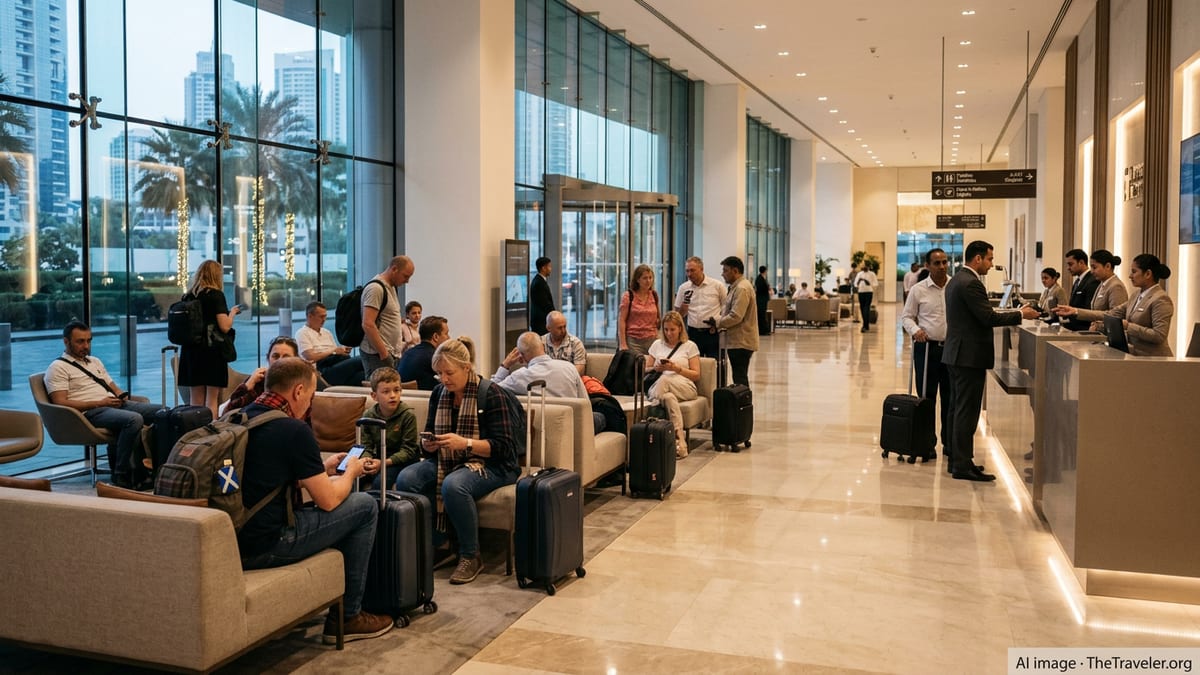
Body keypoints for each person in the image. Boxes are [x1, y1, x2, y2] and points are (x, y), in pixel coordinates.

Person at [236, 357, 393, 644]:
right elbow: (329, 501)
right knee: (365, 505)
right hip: (268, 543)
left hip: (234, 538)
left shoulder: (243, 417)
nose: (309, 405)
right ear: (298, 392)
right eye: (309, 397)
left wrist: (324, 470)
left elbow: (265, 481)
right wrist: (352, 472)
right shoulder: (294, 430)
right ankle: (348, 617)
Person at [394, 339, 525, 585]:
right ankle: (437, 543)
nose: (444, 379)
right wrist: (428, 444)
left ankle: (470, 554)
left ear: (467, 367)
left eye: (449, 373)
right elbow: (430, 434)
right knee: (407, 478)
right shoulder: (439, 394)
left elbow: (504, 448)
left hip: (493, 464)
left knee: (455, 485)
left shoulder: (493, 394)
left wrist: (464, 443)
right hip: (447, 459)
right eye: (439, 373)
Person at [942, 240, 1040, 482]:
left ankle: (958, 459)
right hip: (968, 357)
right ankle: (962, 465)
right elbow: (986, 317)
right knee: (966, 411)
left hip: (957, 354)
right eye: (989, 259)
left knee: (957, 409)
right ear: (977, 259)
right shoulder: (971, 283)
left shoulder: (956, 280)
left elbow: (976, 315)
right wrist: (1020, 314)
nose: (991, 264)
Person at [44, 320, 161, 489]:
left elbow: (112, 387)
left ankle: (158, 467)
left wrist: (123, 397)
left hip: (111, 404)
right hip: (88, 412)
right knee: (133, 420)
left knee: (161, 412)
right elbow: (60, 402)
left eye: (89, 341)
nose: (86, 346)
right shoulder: (58, 367)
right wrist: (99, 403)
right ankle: (121, 473)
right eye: (80, 341)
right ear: (66, 341)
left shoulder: (94, 361)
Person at [1054, 253, 1174, 357]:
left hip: (1154, 360)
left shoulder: (1161, 299)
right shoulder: (1136, 295)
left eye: (1134, 272)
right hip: (1134, 356)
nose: (1130, 276)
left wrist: (1128, 326)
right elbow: (1111, 314)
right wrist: (1075, 311)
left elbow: (1159, 335)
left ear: (1148, 274)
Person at [493, 331, 604, 433]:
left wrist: (505, 365)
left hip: (544, 426)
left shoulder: (519, 377)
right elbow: (585, 403)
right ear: (543, 347)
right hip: (575, 426)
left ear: (521, 357)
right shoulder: (569, 368)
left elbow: (493, 390)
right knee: (601, 416)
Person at [901, 248, 952, 459]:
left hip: (951, 350)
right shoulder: (918, 290)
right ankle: (927, 443)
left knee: (951, 399)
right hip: (927, 349)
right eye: (937, 263)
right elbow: (906, 317)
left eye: (944, 262)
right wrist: (915, 330)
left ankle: (949, 444)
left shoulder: (955, 287)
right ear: (928, 266)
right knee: (927, 398)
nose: (942, 267)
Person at [178, 259, 243, 417]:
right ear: (216, 276)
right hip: (211, 351)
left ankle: (194, 431)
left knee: (195, 399)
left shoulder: (188, 297)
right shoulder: (215, 295)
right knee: (212, 400)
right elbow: (224, 326)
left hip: (191, 351)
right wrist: (233, 313)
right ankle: (211, 434)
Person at [644, 311, 701, 459]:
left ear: (680, 329)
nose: (669, 333)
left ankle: (652, 411)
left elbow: (696, 374)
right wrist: (656, 368)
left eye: (672, 330)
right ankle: (681, 443)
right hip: (662, 387)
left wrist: (676, 368)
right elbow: (646, 369)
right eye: (666, 329)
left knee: (665, 380)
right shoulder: (657, 344)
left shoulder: (690, 346)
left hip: (685, 386)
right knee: (669, 398)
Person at [357, 367, 421, 489]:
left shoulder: (408, 415)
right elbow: (366, 445)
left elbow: (408, 450)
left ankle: (378, 508)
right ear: (374, 396)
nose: (393, 396)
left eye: (397, 390)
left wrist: (382, 463)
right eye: (386, 392)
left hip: (401, 461)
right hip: (380, 457)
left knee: (379, 483)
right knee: (354, 479)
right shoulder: (368, 416)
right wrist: (367, 460)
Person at [361, 255, 415, 378]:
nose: (407, 281)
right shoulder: (376, 289)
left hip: (389, 353)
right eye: (406, 276)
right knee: (381, 391)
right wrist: (383, 353)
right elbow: (368, 324)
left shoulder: (390, 287)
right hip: (377, 354)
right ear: (394, 269)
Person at [708, 255, 758, 387]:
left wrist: (718, 322)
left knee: (740, 377)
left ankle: (743, 405)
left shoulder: (742, 288)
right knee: (739, 375)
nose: (722, 274)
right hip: (737, 340)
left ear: (735, 271)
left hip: (741, 341)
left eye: (725, 270)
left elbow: (736, 316)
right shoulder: (737, 287)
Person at [226, 336, 301, 413]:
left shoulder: (300, 384)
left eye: (286, 357)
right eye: (275, 356)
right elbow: (228, 412)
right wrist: (248, 385)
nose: (280, 361)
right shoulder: (258, 381)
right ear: (268, 358)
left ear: (295, 360)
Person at [297, 301, 363, 387]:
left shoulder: (326, 332)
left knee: (362, 375)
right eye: (321, 317)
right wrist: (334, 351)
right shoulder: (302, 333)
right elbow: (310, 357)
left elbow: (335, 354)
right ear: (310, 316)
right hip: (321, 371)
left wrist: (342, 351)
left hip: (334, 365)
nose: (324, 319)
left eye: (325, 316)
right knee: (362, 359)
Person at [673, 256, 727, 359]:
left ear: (702, 269)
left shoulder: (717, 286)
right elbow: (678, 315)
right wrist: (684, 305)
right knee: (694, 365)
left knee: (715, 364)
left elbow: (726, 308)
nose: (689, 274)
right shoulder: (683, 288)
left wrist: (719, 321)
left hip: (713, 333)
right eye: (687, 271)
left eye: (692, 270)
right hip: (693, 333)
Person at [1076, 249, 1129, 331]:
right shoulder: (1102, 284)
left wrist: (1098, 326)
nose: (1092, 271)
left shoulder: (1116, 286)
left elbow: (1117, 318)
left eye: (1094, 267)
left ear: (1107, 266)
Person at [618, 264, 661, 356]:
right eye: (645, 278)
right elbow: (622, 320)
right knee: (637, 366)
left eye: (650, 278)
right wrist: (623, 343)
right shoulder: (628, 296)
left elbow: (657, 317)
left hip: (652, 338)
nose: (648, 281)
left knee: (652, 367)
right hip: (634, 340)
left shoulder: (654, 295)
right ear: (638, 280)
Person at [398, 315, 450, 390]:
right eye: (446, 334)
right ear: (435, 337)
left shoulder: (407, 353)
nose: (449, 338)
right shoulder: (436, 358)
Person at [1062, 249, 1101, 331]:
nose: (1068, 268)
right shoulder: (1077, 281)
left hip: (1083, 329)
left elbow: (1089, 310)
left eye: (1071, 264)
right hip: (1073, 328)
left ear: (1081, 263)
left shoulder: (1092, 281)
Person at [542, 311, 587, 375]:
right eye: (559, 328)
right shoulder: (541, 343)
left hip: (569, 381)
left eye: (564, 326)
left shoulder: (576, 343)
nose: (563, 330)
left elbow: (579, 371)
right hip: (546, 381)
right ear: (549, 328)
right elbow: (535, 367)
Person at [529, 256, 555, 333]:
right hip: (541, 323)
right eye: (549, 266)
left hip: (541, 321)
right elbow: (545, 304)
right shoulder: (539, 283)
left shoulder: (540, 281)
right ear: (543, 268)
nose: (551, 269)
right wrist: (553, 315)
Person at [855, 261, 878, 333]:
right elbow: (855, 283)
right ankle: (866, 325)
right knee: (862, 308)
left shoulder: (872, 274)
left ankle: (865, 325)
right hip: (861, 292)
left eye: (864, 265)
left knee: (866, 308)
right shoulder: (859, 274)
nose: (863, 266)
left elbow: (875, 284)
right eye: (862, 265)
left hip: (868, 292)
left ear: (868, 266)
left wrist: (868, 282)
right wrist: (859, 282)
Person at [755, 265, 771, 336]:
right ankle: (763, 330)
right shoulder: (760, 279)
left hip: (762, 299)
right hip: (761, 300)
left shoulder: (760, 278)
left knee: (762, 314)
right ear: (765, 271)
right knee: (761, 315)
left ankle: (764, 330)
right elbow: (763, 289)